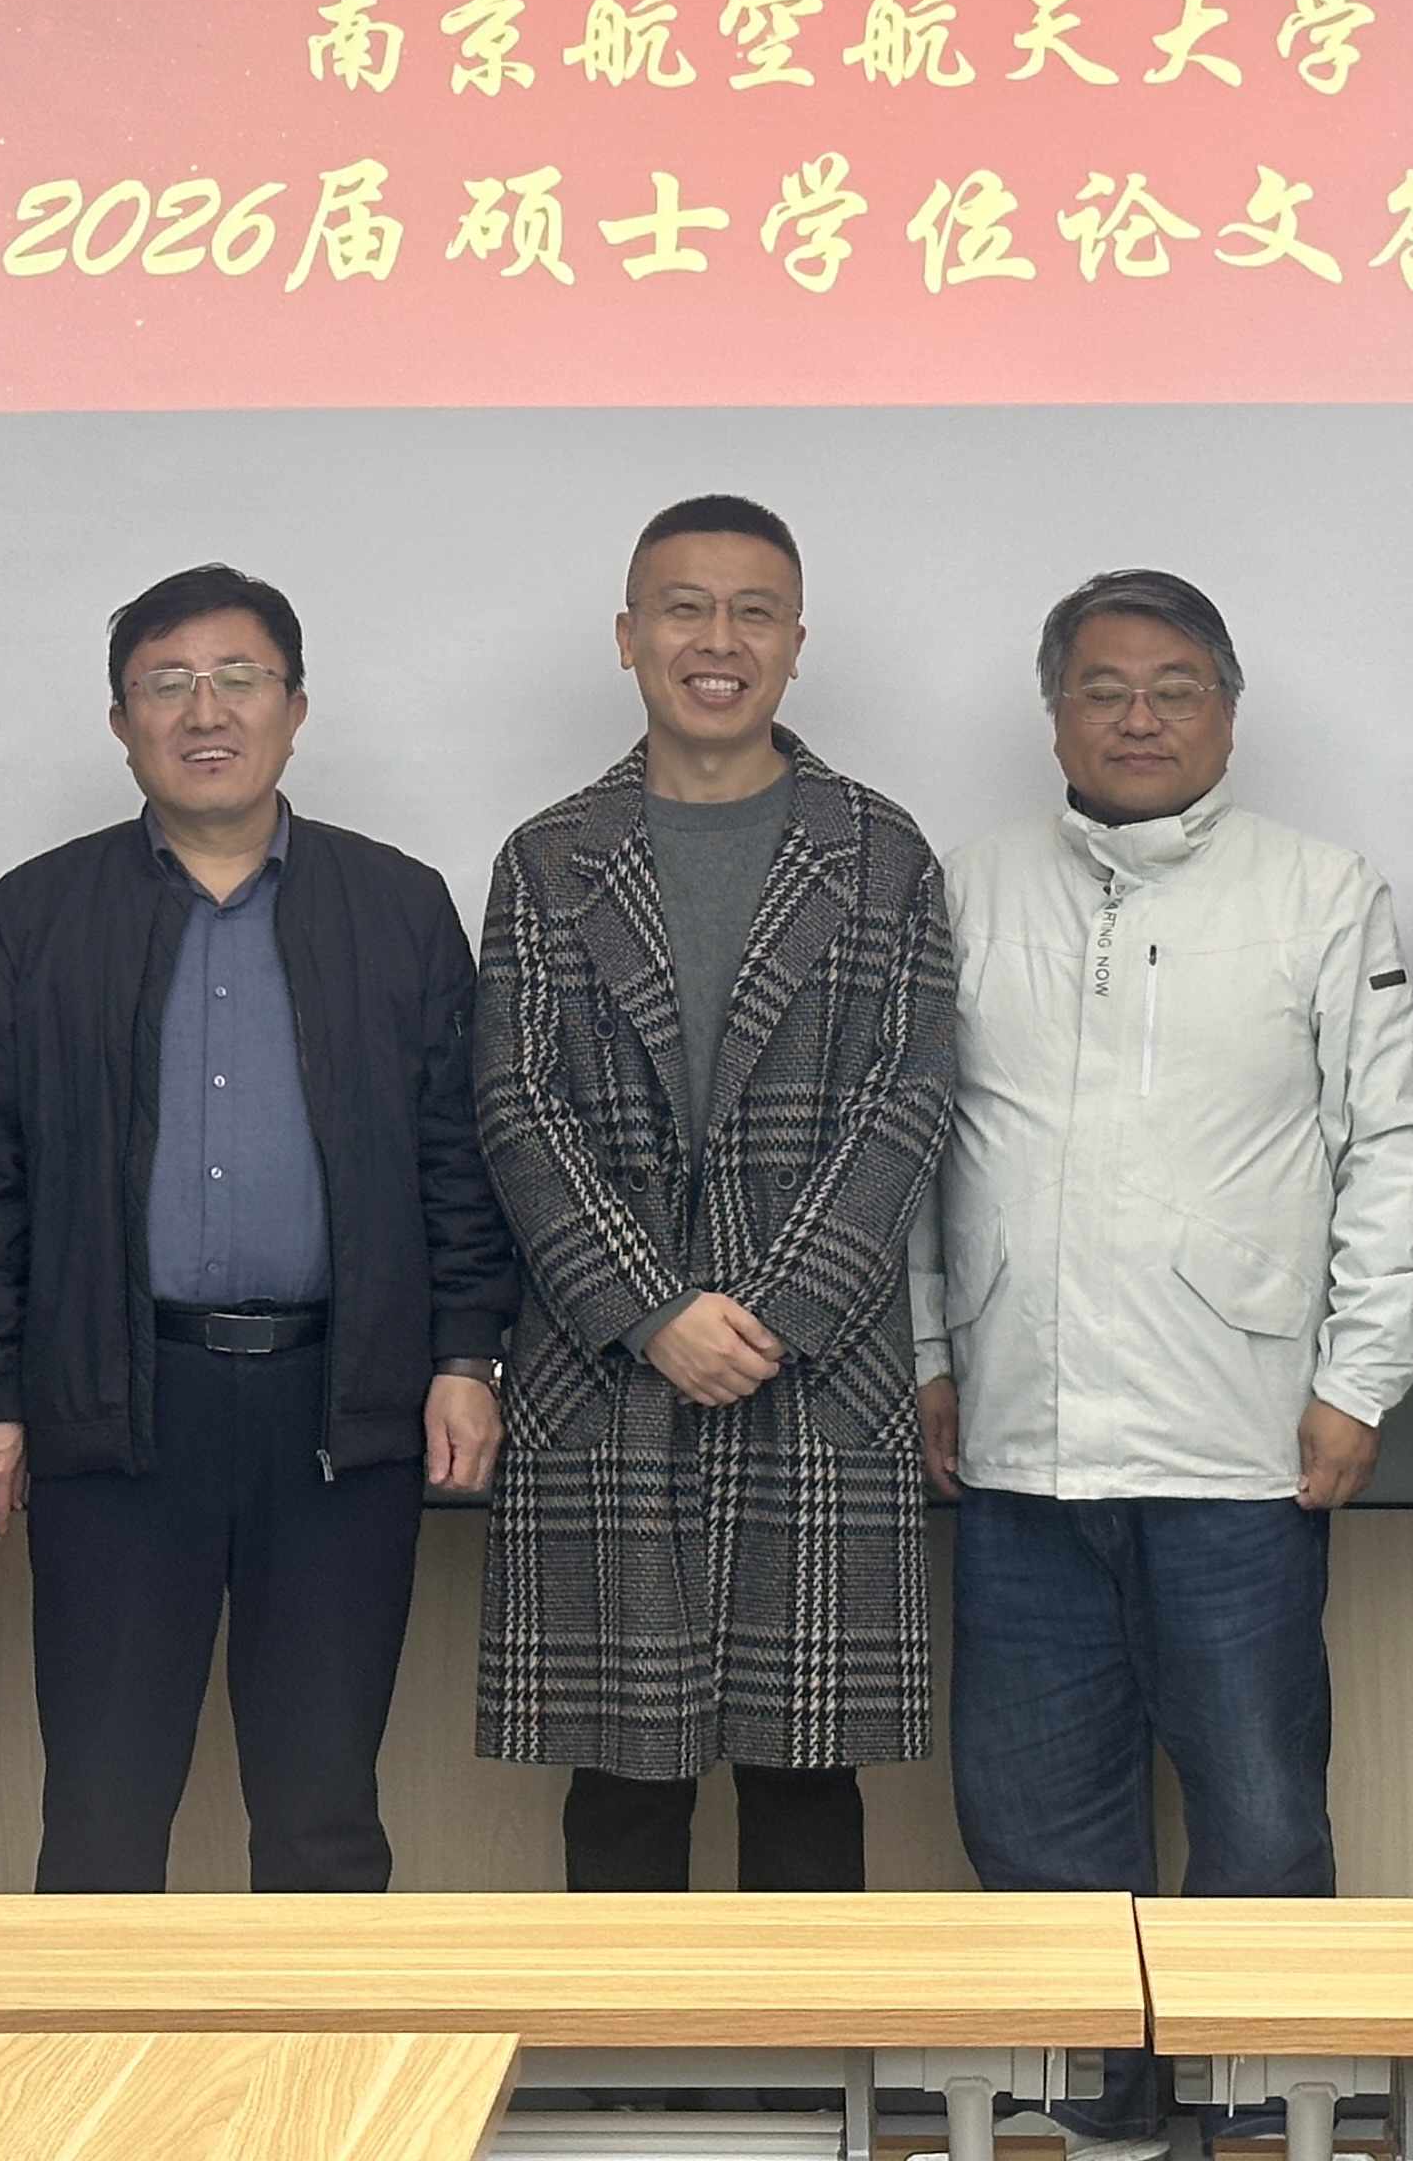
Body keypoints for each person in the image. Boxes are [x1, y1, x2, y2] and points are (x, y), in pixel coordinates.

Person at [915, 567, 1413, 2143]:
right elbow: (918, 1155)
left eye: (1174, 689)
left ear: (1228, 710)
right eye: (1103, 688)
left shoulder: (1320, 889)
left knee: (1261, 1811)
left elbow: (1396, 1147)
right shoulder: (969, 887)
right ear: (1054, 714)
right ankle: (1099, 2111)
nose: (1138, 717)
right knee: (1032, 1814)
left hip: (1243, 1444)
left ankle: (1260, 2110)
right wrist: (931, 1355)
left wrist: (1359, 1381)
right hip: (1019, 1442)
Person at [0, 562, 514, 1890]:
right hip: (120, 1402)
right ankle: (91, 2039)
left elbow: (457, 1156)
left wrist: (466, 1358)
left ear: (295, 708)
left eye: (240, 678)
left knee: (323, 1809)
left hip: (341, 1407)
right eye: (168, 683)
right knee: (101, 1807)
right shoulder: (38, 913)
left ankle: (313, 2040)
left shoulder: (398, 905)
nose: (207, 710)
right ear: (121, 720)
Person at [473, 493, 954, 1891]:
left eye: (754, 612)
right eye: (685, 608)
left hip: (817, 1376)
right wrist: (654, 1311)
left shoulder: (880, 852)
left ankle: (809, 2046)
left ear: (796, 643)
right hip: (608, 1372)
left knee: (807, 1776)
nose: (718, 640)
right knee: (623, 1778)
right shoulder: (549, 857)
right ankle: (631, 2045)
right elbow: (515, 1105)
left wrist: (771, 1313)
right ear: (629, 635)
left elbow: (908, 1100)